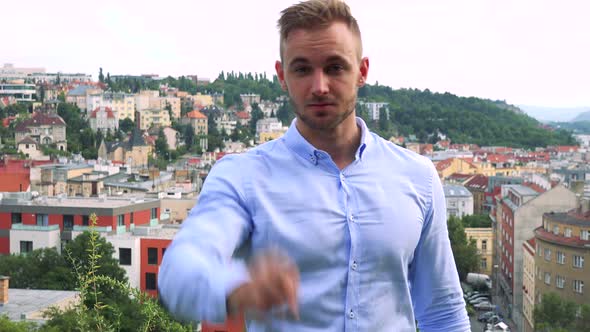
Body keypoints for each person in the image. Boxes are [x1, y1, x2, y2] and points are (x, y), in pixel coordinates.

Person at [159, 0, 470, 331]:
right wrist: (237, 286)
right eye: (303, 69)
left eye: (335, 67)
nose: (319, 86)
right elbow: (179, 272)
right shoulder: (243, 176)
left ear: (362, 71)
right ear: (282, 76)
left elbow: (442, 310)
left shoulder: (418, 177)